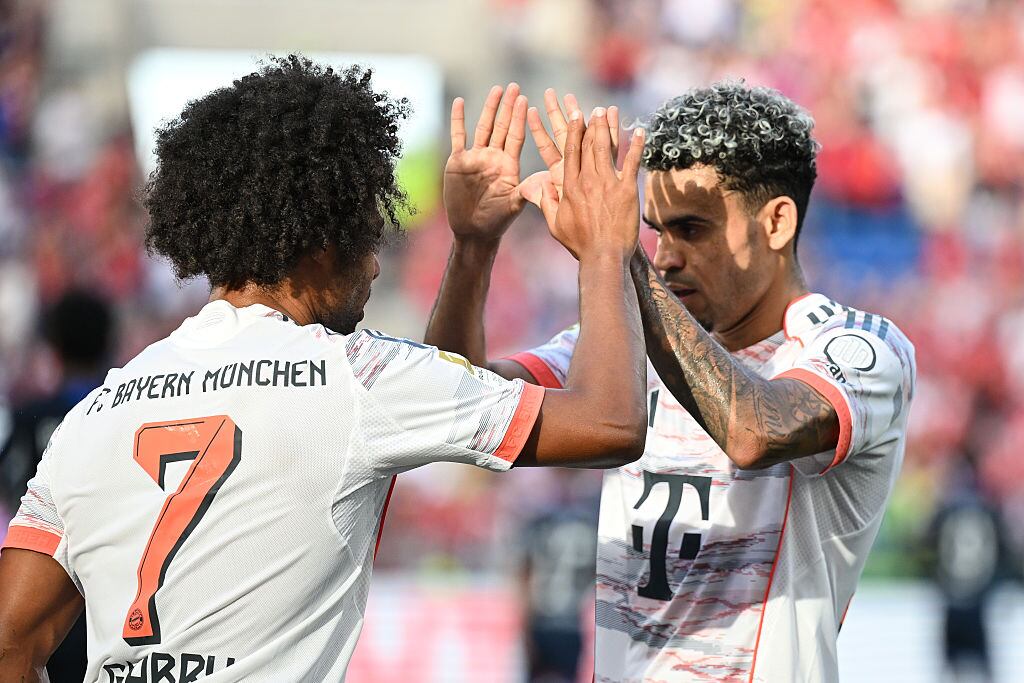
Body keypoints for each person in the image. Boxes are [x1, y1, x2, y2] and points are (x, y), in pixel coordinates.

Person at [0, 55, 650, 682]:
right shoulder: (354, 374)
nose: (374, 264)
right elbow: (609, 424)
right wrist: (603, 250)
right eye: (367, 234)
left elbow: (10, 646)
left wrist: (474, 247)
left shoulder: (96, 413)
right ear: (317, 241)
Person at [426, 81, 917, 682]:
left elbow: (754, 432)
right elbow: (454, 410)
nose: (665, 257)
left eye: (692, 229)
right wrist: (473, 249)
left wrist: (616, 253)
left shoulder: (858, 347)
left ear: (777, 222)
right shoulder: (624, 342)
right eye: (655, 232)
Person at [0, 288, 115, 683]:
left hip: (39, 592)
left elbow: (12, 488)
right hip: (111, 597)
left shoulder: (29, 416)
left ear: (54, 346)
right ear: (108, 341)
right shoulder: (124, 415)